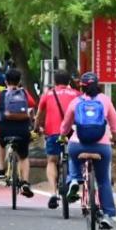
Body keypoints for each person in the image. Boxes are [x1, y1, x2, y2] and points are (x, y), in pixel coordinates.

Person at [59, 72, 116, 230]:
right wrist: (114, 136)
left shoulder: (76, 102)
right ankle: (107, 215)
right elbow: (114, 122)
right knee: (103, 181)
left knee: (73, 157)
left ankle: (74, 180)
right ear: (97, 85)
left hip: (78, 144)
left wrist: (62, 135)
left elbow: (66, 125)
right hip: (102, 147)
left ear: (82, 87)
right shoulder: (105, 100)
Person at [0, 68, 37, 197]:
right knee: (23, 156)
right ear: (19, 81)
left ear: (6, 81)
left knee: (0, 142)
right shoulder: (24, 93)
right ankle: (25, 182)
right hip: (22, 129)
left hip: (5, 128)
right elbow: (32, 105)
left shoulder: (0, 95)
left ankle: (1, 169)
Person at [35, 70, 81, 209]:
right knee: (74, 157)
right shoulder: (77, 94)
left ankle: (53, 193)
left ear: (54, 81)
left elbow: (39, 115)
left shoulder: (47, 95)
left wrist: (37, 127)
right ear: (69, 81)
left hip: (54, 132)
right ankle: (73, 180)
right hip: (73, 132)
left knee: (52, 160)